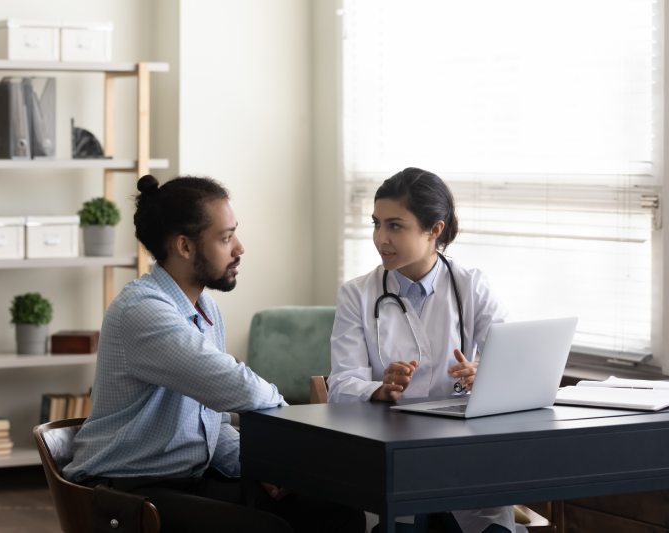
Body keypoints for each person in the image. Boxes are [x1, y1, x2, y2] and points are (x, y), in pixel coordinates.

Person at [64, 174, 365, 533]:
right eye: (225, 238)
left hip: (188, 478)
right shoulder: (143, 311)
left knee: (335, 510)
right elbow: (240, 388)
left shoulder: (205, 309)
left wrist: (265, 464)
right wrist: (289, 432)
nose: (239, 247)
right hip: (129, 489)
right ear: (184, 247)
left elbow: (212, 425)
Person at [329, 167, 514, 532]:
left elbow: (513, 367)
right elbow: (340, 385)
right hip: (393, 457)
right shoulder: (357, 294)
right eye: (376, 223)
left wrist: (486, 374)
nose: (380, 238)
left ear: (434, 230)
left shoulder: (471, 286)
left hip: (465, 457)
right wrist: (379, 389)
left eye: (395, 226)